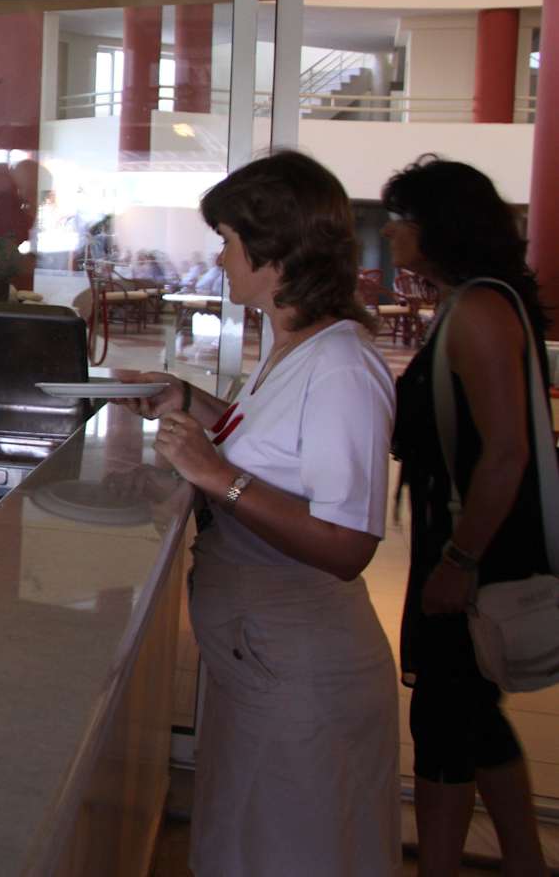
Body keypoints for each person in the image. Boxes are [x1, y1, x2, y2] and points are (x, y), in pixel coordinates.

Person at [117, 151, 400, 875]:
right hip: (263, 658)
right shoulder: (293, 348)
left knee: (292, 849)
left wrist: (218, 477)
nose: (219, 258)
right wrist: (187, 400)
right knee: (248, 841)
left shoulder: (342, 365)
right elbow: (272, 445)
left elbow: (348, 544)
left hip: (303, 666)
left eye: (228, 241)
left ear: (273, 252)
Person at [382, 156, 550, 877]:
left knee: (446, 719)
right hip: (471, 538)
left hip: (474, 544)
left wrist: (459, 561)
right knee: (476, 715)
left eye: (401, 218)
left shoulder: (479, 310)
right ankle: (525, 862)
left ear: (438, 226)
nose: (390, 232)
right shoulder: (473, 303)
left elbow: (506, 453)